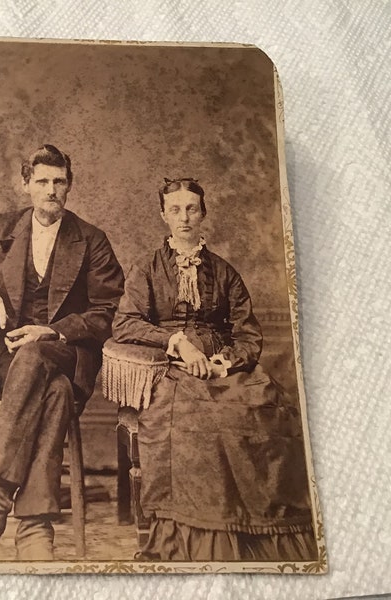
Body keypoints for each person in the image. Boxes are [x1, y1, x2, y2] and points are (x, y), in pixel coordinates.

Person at [112, 177, 317, 562]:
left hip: (222, 366)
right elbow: (125, 323)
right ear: (163, 216)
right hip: (171, 366)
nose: (184, 217)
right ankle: (189, 532)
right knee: (192, 414)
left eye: (191, 208)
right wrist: (175, 342)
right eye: (175, 209)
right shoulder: (147, 269)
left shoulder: (224, 272)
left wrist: (225, 363)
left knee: (262, 404)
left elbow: (248, 334)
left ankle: (254, 531)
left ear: (203, 214)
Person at [0, 144, 124, 559]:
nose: (51, 189)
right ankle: (35, 527)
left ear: (70, 186)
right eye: (42, 181)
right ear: (26, 186)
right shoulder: (1, 229)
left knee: (39, 357)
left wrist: (52, 331)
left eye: (59, 181)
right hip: (5, 360)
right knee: (53, 393)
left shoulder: (91, 240)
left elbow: (108, 313)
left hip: (66, 352)